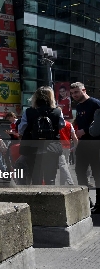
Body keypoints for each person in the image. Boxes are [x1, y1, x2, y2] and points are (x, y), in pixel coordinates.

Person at [18, 86, 64, 185]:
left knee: (36, 178)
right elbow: (61, 126)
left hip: (32, 149)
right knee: (50, 179)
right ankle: (50, 199)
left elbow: (21, 129)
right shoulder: (57, 112)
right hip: (51, 148)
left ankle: (37, 200)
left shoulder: (29, 111)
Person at [70, 82, 100, 212]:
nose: (74, 95)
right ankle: (86, 201)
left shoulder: (95, 103)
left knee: (97, 174)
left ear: (84, 90)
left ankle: (99, 204)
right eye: (72, 93)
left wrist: (85, 130)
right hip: (83, 144)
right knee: (79, 171)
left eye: (76, 92)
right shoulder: (79, 105)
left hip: (95, 144)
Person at [58, 120, 77, 185]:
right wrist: (75, 146)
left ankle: (70, 182)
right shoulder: (69, 124)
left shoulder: (56, 123)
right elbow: (74, 137)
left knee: (63, 165)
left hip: (59, 147)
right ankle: (62, 184)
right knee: (65, 166)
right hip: (67, 147)